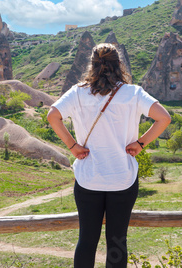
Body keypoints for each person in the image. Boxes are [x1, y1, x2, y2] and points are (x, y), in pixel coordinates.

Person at [47, 43, 171, 267]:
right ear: (119, 64)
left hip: (88, 178)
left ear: (92, 65)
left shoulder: (78, 92)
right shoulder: (133, 93)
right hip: (122, 178)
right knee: (117, 243)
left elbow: (52, 115)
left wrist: (72, 146)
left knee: (86, 241)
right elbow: (164, 118)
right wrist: (141, 143)